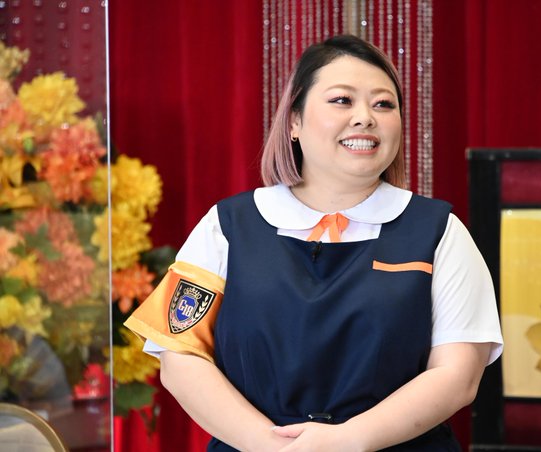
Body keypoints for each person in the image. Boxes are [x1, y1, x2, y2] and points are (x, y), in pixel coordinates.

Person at [124, 34, 503, 451]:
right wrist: (273, 446)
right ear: (294, 121)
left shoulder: (440, 232)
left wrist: (347, 441)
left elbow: (457, 375)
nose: (365, 118)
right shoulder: (227, 226)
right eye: (342, 100)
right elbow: (179, 358)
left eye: (383, 104)